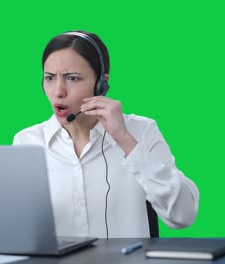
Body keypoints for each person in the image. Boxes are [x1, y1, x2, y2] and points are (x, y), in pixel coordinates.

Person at [13, 30, 199, 238]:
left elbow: (183, 215)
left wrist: (125, 140)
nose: (58, 91)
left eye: (72, 78)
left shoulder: (141, 131)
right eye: (49, 78)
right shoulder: (28, 142)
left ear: (101, 84)